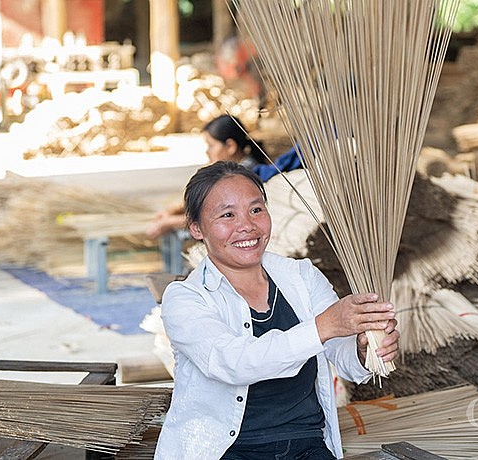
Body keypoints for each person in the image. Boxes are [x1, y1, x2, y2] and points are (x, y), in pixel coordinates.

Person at [153, 161, 399, 459]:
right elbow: (233, 362)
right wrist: (324, 326)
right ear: (196, 228)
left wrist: (364, 349)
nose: (247, 226)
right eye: (227, 215)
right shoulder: (186, 298)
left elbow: (342, 357)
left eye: (256, 210)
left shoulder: (302, 277)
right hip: (227, 450)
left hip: (306, 444)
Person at [146, 114, 302, 239]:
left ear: (230, 146)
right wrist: (172, 211)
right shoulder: (236, 171)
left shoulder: (242, 178)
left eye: (211, 146)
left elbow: (217, 217)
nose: (208, 152)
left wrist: (169, 223)